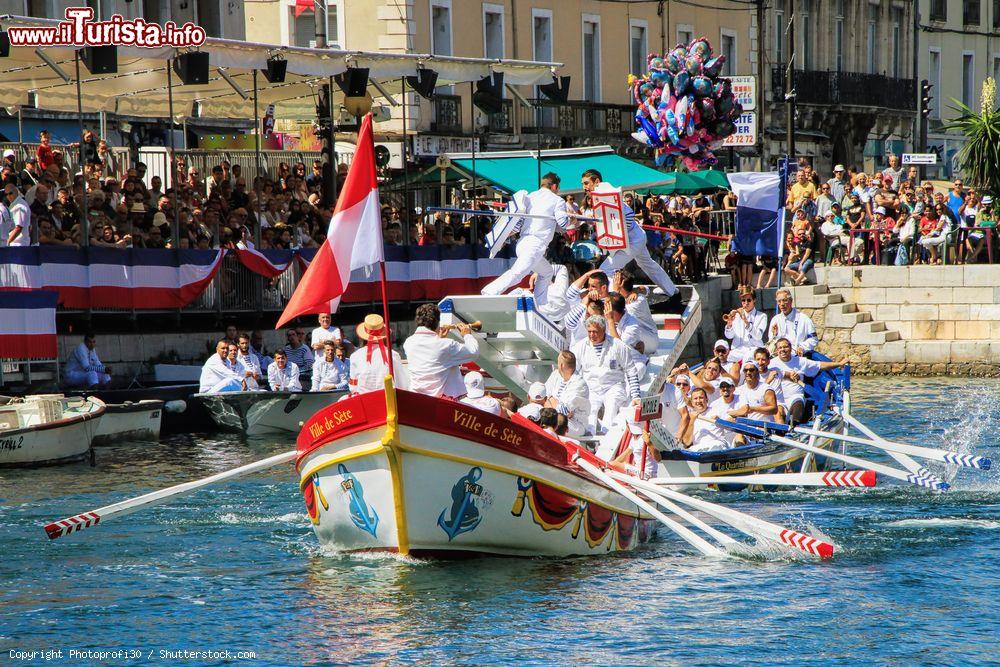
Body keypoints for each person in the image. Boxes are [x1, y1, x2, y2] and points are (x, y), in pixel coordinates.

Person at [580, 168, 679, 298]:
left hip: (632, 240)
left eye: (586, 183)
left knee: (606, 269)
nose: (584, 187)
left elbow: (628, 215)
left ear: (596, 181)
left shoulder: (607, 193)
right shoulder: (600, 195)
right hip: (635, 237)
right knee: (647, 264)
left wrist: (619, 233)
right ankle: (671, 290)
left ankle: (612, 300)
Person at [481, 172, 569, 306]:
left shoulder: (529, 197)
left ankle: (541, 303)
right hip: (535, 245)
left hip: (522, 243)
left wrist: (503, 237)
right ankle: (489, 292)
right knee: (518, 273)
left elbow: (516, 225)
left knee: (547, 272)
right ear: (555, 186)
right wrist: (572, 219)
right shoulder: (558, 200)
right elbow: (563, 223)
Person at [571, 314, 641, 434]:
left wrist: (636, 396)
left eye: (595, 332)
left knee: (611, 408)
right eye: (590, 331)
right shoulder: (580, 347)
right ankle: (591, 439)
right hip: (591, 387)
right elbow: (574, 372)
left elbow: (631, 370)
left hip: (614, 386)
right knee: (590, 411)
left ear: (603, 330)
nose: (592, 335)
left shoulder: (618, 345)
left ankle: (606, 438)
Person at [402, 304, 478, 398]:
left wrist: (439, 338)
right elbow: (473, 352)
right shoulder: (446, 345)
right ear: (437, 323)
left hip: (416, 398)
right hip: (441, 402)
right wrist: (467, 335)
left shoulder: (408, 343)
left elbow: (430, 355)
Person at [770, 338, 847, 424]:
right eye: (780, 348)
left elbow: (820, 365)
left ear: (791, 348)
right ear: (777, 350)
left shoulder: (800, 361)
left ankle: (794, 426)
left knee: (798, 405)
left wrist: (839, 364)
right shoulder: (771, 364)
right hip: (778, 399)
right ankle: (781, 431)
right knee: (778, 414)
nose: (783, 350)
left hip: (795, 396)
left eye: (785, 347)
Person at [349, 314, 409, 394]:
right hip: (387, 401)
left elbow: (353, 387)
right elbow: (402, 384)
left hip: (364, 401)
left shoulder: (355, 356)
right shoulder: (393, 355)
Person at [543, 350, 591, 438]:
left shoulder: (579, 384)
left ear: (561, 365)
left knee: (556, 422)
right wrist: (551, 401)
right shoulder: (555, 375)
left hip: (575, 424)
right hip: (556, 417)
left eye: (558, 363)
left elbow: (562, 411)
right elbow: (543, 397)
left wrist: (549, 400)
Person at [678, 387, 730, 452]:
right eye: (695, 398)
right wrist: (692, 421)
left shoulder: (717, 410)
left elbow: (731, 421)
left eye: (701, 398)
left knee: (716, 445)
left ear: (707, 399)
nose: (698, 401)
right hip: (699, 449)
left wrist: (720, 421)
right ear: (691, 402)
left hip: (717, 444)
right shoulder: (688, 418)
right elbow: (686, 442)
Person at [768, 289, 818, 355]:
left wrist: (802, 347)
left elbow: (813, 339)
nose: (782, 304)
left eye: (785, 300)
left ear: (791, 301)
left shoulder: (804, 319)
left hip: (798, 354)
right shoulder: (775, 319)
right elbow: (771, 341)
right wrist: (774, 336)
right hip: (780, 355)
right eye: (779, 301)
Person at [723, 287, 767, 362]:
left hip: (754, 348)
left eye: (749, 300)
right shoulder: (736, 315)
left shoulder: (762, 316)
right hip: (738, 349)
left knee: (748, 357)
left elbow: (758, 336)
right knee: (727, 358)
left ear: (754, 300)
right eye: (743, 300)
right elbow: (729, 336)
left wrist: (745, 320)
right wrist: (729, 323)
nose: (746, 303)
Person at [609, 414, 660, 479]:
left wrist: (649, 443)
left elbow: (658, 459)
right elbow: (625, 455)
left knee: (613, 464)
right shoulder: (634, 438)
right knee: (613, 464)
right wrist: (612, 463)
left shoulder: (645, 438)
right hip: (639, 471)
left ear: (627, 425)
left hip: (646, 474)